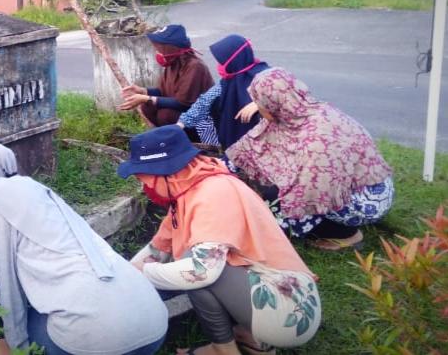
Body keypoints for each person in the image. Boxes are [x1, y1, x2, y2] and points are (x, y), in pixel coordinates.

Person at [0, 134, 168, 355]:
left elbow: (8, 287)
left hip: (102, 343)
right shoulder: (33, 189)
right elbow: (45, 240)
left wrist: (14, 347)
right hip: (154, 325)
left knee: (32, 316)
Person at [118, 125, 321, 355]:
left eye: (146, 180)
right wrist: (124, 274)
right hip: (286, 297)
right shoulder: (194, 187)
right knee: (193, 261)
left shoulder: (211, 195)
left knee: (194, 266)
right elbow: (158, 246)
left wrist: (146, 272)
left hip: (289, 313)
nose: (145, 188)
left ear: (165, 172)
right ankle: (254, 341)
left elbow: (201, 271)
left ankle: (223, 350)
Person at [226, 67, 394, 250]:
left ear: (273, 103)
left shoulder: (317, 139)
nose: (257, 107)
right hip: (349, 184)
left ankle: (347, 235)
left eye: (259, 103)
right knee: (273, 187)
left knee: (281, 200)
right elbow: (253, 145)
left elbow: (307, 195)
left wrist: (271, 227)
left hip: (367, 198)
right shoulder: (297, 111)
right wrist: (221, 167)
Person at [177, 34, 270, 150]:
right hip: (238, 140)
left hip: (268, 142)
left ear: (234, 60)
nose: (219, 66)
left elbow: (289, 98)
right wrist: (181, 124)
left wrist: (260, 103)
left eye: (222, 62)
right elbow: (205, 100)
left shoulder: (266, 76)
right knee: (205, 119)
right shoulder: (229, 80)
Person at [120, 25, 214, 139]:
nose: (157, 52)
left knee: (166, 114)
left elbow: (183, 103)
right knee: (147, 107)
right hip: (184, 113)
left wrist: (146, 98)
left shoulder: (195, 67)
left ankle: (185, 142)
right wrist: (143, 91)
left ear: (170, 48)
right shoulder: (172, 64)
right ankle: (168, 138)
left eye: (159, 48)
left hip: (201, 120)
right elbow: (162, 92)